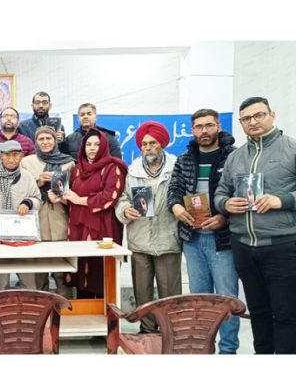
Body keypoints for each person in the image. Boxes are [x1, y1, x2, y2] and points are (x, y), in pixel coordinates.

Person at [215, 96, 296, 354]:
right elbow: (219, 194)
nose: (253, 122)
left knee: (283, 315)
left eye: (258, 115)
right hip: (244, 247)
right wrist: (226, 204)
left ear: (272, 115)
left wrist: (282, 200)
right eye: (246, 118)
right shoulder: (236, 157)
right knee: (258, 312)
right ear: (241, 123)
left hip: (282, 247)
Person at [167, 108, 240, 354]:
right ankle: (202, 348)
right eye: (198, 126)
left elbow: (241, 195)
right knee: (198, 298)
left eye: (209, 125)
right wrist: (176, 208)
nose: (204, 131)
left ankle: (228, 350)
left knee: (226, 298)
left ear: (218, 127)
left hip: (223, 240)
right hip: (193, 238)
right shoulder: (185, 159)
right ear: (192, 130)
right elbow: (174, 188)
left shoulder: (234, 157)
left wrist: (224, 218)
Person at [115, 121, 181, 332]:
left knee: (169, 291)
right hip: (140, 239)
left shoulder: (176, 167)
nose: (148, 148)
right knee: (142, 292)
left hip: (168, 239)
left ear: (162, 144)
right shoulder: (132, 170)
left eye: (153, 143)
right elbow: (123, 198)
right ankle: (147, 331)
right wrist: (125, 210)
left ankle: (170, 331)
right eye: (144, 144)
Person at [54, 128, 127, 299]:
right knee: (81, 270)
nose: (92, 148)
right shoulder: (78, 169)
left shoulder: (113, 167)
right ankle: (84, 315)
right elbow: (72, 197)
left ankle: (105, 317)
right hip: (78, 225)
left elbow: (110, 197)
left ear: (104, 146)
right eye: (88, 144)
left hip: (103, 226)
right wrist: (62, 199)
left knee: (100, 271)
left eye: (97, 144)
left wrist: (80, 200)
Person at [0, 140, 41, 290]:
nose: (11, 159)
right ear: (0, 156)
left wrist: (28, 203)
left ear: (22, 156)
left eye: (15, 155)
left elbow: (38, 199)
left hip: (24, 239)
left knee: (29, 283)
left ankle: (30, 310)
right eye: (7, 155)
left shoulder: (27, 177)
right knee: (0, 284)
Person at [21, 125, 75, 297]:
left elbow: (74, 191)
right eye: (41, 139)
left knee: (62, 270)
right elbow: (21, 191)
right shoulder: (27, 162)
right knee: (39, 269)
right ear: (36, 142)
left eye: (49, 138)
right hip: (36, 220)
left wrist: (59, 190)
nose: (45, 142)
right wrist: (38, 182)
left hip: (60, 217)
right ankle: (41, 311)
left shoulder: (68, 162)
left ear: (55, 140)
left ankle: (66, 310)